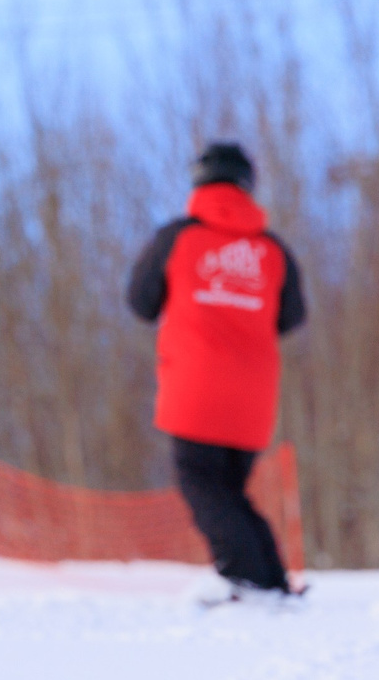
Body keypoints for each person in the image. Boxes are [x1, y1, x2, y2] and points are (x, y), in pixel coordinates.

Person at [127, 142, 308, 601]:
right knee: (229, 491)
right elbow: (292, 316)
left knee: (203, 487)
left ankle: (247, 579)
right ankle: (270, 581)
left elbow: (140, 301)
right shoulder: (273, 249)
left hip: (194, 388)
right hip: (253, 395)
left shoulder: (177, 237)